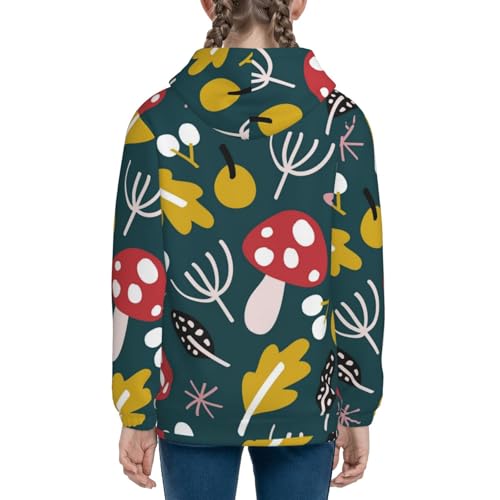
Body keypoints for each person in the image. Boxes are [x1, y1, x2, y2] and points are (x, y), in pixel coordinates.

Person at [110, 0, 385, 498]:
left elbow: (136, 274)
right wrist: (356, 404)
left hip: (189, 401)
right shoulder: (341, 124)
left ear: (208, 3)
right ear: (297, 4)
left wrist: (136, 406)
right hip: (306, 399)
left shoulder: (155, 122)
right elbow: (357, 272)